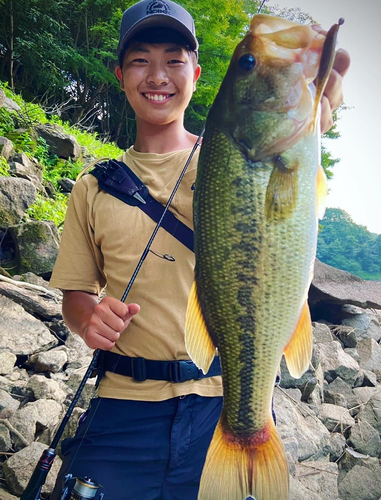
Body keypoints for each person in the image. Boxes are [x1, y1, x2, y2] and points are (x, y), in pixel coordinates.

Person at [49, 1, 350, 499]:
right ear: (121, 75)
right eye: (142, 60)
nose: (158, 75)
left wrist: (321, 95)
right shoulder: (93, 187)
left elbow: (296, 132)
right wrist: (87, 319)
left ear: (197, 73)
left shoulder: (231, 153)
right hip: (124, 406)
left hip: (222, 397)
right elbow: (75, 294)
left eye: (174, 59)